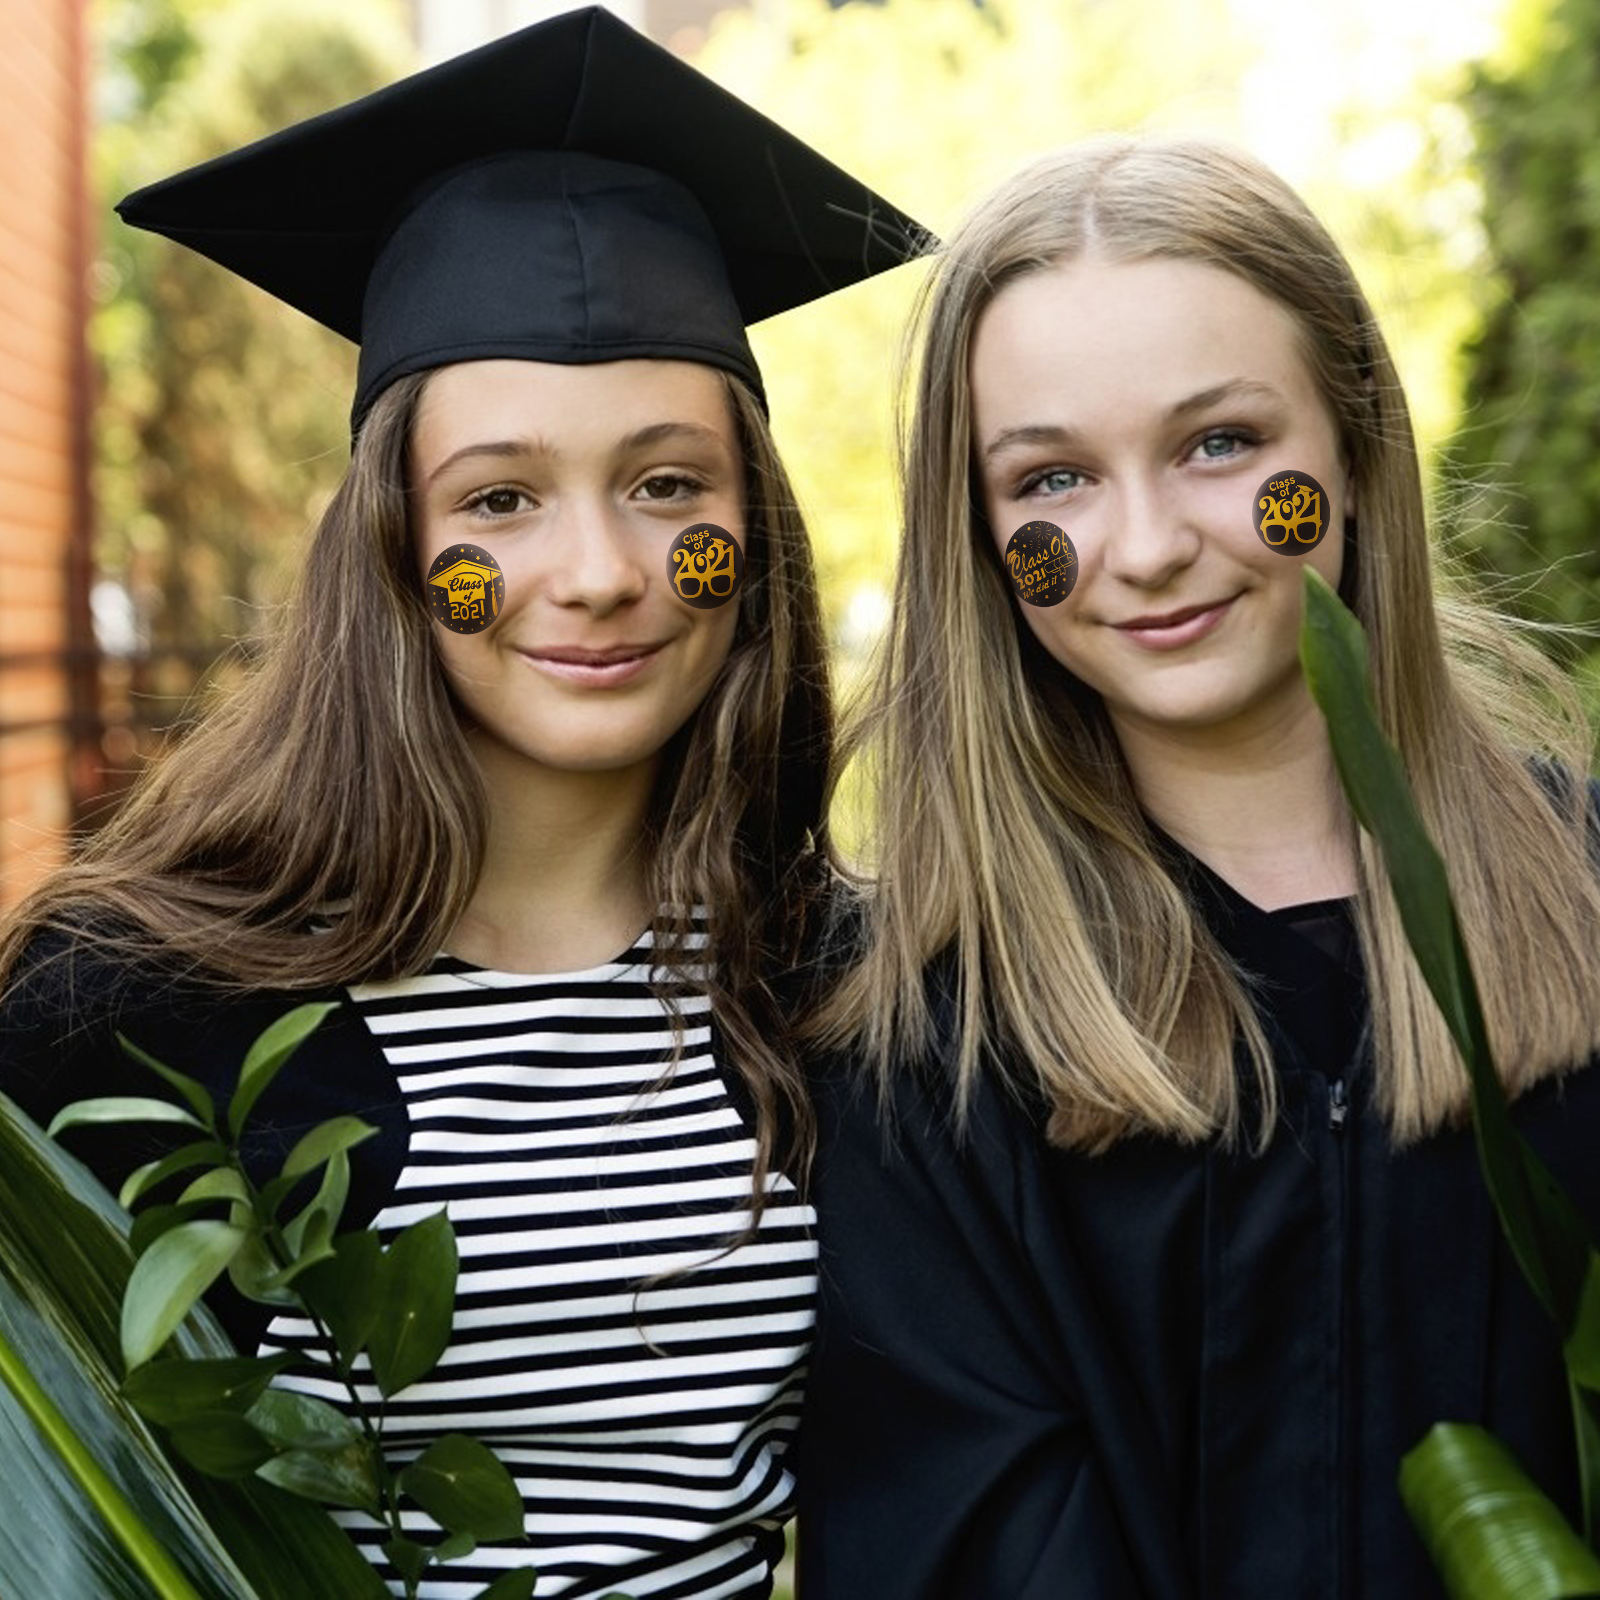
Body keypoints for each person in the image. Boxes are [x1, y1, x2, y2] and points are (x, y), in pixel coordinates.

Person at [0, 9, 924, 1597]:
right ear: (395, 552)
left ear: (753, 530)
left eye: (669, 486)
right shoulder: (137, 1010)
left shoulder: (846, 991)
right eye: (500, 498)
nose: (602, 573)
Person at [796, 135, 1600, 1600]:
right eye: (1052, 479)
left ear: (1353, 449)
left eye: (1220, 443)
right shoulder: (923, 1036)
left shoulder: (1589, 904)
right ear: (981, 533)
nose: (1149, 545)